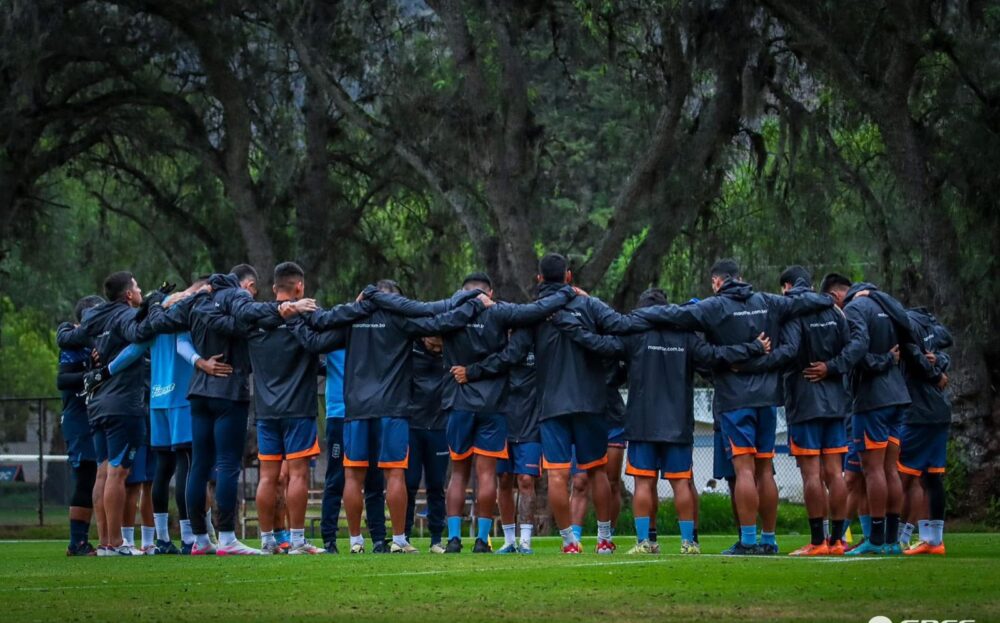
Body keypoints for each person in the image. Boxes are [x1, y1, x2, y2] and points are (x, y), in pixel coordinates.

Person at [608, 258, 835, 555]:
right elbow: (803, 306)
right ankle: (769, 539)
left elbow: (678, 316)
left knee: (743, 471)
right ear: (739, 277)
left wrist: (638, 318)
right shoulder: (769, 301)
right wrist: (827, 299)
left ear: (717, 282)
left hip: (735, 400)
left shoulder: (714, 306)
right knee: (765, 471)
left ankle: (748, 541)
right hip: (767, 399)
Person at [367, 272, 575, 554]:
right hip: (492, 405)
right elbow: (535, 311)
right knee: (487, 474)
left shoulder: (453, 314)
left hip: (458, 404)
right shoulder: (500, 313)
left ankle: (453, 539)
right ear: (490, 292)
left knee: (459, 474)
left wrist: (372, 297)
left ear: (461, 292)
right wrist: (567, 292)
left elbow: (418, 318)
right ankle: (481, 540)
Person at [553, 287, 768, 555]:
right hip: (678, 423)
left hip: (642, 423)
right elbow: (715, 355)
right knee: (680, 483)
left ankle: (645, 542)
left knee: (644, 483)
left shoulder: (634, 336)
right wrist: (753, 348)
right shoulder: (686, 337)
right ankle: (689, 543)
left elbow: (598, 344)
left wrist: (569, 322)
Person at [307, 279, 490, 554]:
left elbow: (316, 336)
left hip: (356, 409)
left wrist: (292, 317)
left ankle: (356, 541)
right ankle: (399, 539)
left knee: (353, 475)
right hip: (392, 408)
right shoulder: (402, 322)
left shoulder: (352, 319)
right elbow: (440, 323)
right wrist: (474, 306)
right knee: (394, 474)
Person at [225, 261, 368, 555]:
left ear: (274, 287)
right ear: (299, 287)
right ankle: (298, 540)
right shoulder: (303, 318)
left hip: (265, 411)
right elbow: (328, 334)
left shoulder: (256, 321)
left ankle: (266, 541)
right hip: (299, 409)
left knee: (268, 476)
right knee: (298, 475)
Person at [56, 271, 185, 555]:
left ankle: (105, 542)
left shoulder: (94, 317)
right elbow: (141, 332)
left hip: (97, 405)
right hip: (123, 405)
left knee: (103, 472)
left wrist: (65, 329)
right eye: (137, 287)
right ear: (128, 294)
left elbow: (69, 335)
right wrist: (155, 305)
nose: (139, 291)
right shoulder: (124, 316)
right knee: (118, 473)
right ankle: (116, 543)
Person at [738, 266, 852, 556]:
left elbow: (789, 352)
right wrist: (832, 367)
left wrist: (756, 363)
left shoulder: (794, 313)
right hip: (836, 401)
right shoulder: (834, 311)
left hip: (805, 400)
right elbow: (851, 347)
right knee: (835, 473)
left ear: (786, 287)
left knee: (812, 474)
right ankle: (838, 541)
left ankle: (817, 542)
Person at [811, 277, 914, 556]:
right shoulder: (888, 306)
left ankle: (876, 539)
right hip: (898, 396)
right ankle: (892, 540)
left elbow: (858, 351)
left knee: (874, 470)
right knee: (891, 470)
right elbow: (909, 331)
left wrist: (833, 367)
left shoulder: (855, 309)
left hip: (873, 400)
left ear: (836, 297)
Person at [455, 328, 539, 554]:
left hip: (530, 424)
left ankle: (526, 541)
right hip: (501, 423)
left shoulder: (536, 348)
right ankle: (510, 540)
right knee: (503, 479)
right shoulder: (494, 351)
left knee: (526, 480)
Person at [319, 346, 390, 554]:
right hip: (340, 414)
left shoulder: (369, 332)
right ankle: (330, 539)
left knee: (374, 479)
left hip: (368, 413)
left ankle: (377, 538)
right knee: (337, 478)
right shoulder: (336, 332)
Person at [898, 307, 952, 555]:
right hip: (939, 412)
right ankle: (933, 541)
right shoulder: (929, 327)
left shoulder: (907, 329)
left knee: (907, 477)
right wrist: (939, 365)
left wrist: (934, 369)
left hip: (918, 413)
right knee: (931, 477)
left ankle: (900, 537)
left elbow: (920, 362)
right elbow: (945, 344)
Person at [56, 295, 104, 556]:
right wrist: (93, 373)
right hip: (78, 419)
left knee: (94, 476)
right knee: (85, 478)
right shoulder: (74, 341)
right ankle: (77, 542)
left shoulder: (97, 341)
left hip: (95, 417)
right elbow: (63, 381)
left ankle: (86, 540)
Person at [404, 336, 450, 553]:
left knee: (436, 485)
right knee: (409, 483)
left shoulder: (450, 353)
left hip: (439, 427)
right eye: (432, 344)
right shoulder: (410, 352)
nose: (436, 349)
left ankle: (436, 539)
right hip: (413, 426)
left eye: (439, 346)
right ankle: (403, 536)